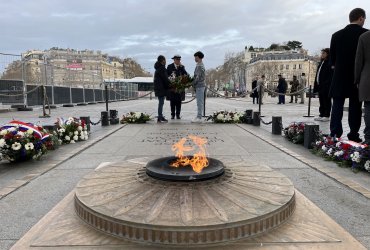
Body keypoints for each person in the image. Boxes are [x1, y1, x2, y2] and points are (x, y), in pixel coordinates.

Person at [329, 8, 367, 142]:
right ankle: (353, 134)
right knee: (355, 107)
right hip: (358, 76)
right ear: (361, 18)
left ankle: (334, 133)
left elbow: (332, 60)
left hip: (339, 76)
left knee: (337, 106)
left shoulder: (336, 35)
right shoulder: (365, 34)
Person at [355, 31, 370, 144]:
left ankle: (369, 138)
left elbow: (358, 60)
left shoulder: (364, 37)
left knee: (369, 108)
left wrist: (357, 79)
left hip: (367, 77)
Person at [314, 48, 333, 122]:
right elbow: (318, 74)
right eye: (321, 53)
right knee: (321, 100)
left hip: (326, 86)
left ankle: (326, 115)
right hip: (320, 85)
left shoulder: (329, 63)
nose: (321, 55)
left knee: (326, 101)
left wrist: (326, 84)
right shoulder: (321, 62)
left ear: (328, 54)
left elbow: (330, 75)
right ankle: (321, 114)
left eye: (323, 53)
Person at [167, 55, 188, 119]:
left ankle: (178, 114)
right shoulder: (169, 66)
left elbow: (185, 74)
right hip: (172, 86)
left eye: (179, 60)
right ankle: (172, 114)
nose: (178, 61)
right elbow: (167, 75)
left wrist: (182, 68)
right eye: (177, 60)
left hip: (180, 87)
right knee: (172, 101)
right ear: (174, 60)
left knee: (179, 101)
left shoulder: (182, 67)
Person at [154, 55, 171, 123]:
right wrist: (170, 85)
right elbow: (165, 79)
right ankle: (160, 117)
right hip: (161, 88)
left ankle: (160, 116)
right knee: (161, 103)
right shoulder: (162, 68)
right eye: (165, 60)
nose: (165, 61)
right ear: (162, 60)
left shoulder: (158, 68)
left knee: (161, 102)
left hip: (158, 88)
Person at [191, 51, 206, 123]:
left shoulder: (200, 66)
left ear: (198, 57)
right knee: (199, 102)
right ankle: (199, 116)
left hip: (199, 85)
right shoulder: (199, 65)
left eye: (195, 57)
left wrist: (192, 83)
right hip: (200, 86)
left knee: (199, 102)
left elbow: (197, 77)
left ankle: (199, 117)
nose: (194, 58)